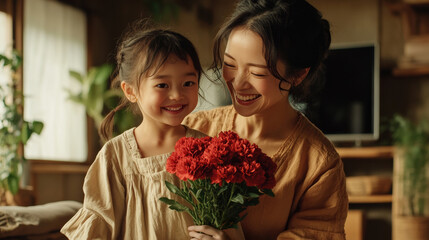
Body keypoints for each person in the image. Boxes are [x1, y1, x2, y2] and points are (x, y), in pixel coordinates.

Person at [184, 0, 349, 239]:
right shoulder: (194, 129)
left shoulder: (318, 164)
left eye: (257, 72)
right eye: (230, 64)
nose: (238, 83)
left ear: (297, 75)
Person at [60, 20, 207, 239]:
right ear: (130, 91)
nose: (177, 95)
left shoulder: (208, 150)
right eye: (162, 85)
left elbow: (225, 218)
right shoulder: (115, 155)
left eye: (188, 83)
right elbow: (99, 220)